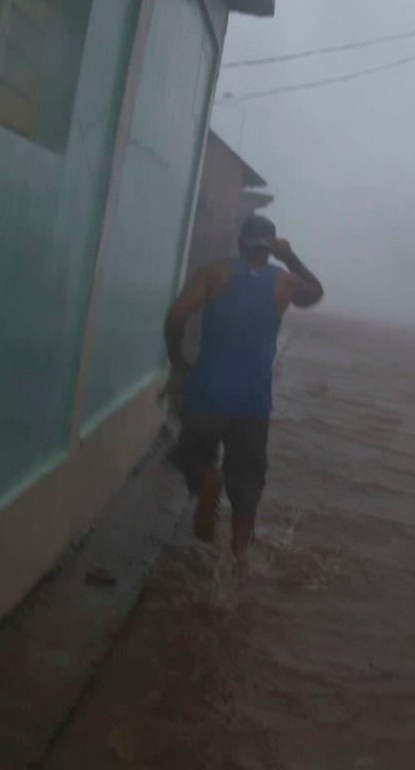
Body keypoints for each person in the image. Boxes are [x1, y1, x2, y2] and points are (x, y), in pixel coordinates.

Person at [163, 215, 324, 571]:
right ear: (270, 249)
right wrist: (291, 257)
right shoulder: (284, 282)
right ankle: (239, 563)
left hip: (207, 393)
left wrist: (178, 362)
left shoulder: (215, 272)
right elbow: (316, 293)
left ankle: (207, 478)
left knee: (187, 453)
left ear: (239, 244)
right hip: (253, 403)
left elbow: (176, 317)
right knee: (248, 485)